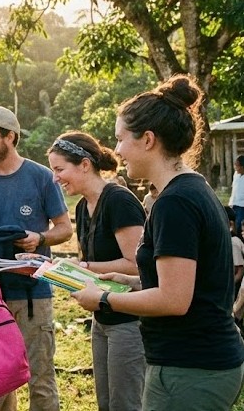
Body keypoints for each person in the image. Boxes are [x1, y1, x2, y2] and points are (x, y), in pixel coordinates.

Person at [72, 75, 244, 410]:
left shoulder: (174, 202)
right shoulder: (191, 187)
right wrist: (133, 282)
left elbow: (174, 299)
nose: (117, 150)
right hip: (201, 361)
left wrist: (105, 299)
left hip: (189, 368)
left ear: (148, 139)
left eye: (121, 139)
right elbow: (190, 282)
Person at [0, 106, 72, 411]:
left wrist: (41, 238)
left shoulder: (41, 177)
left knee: (40, 378)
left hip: (35, 294)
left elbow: (65, 229)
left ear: (10, 137)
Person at [47, 132, 146, 411]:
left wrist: (84, 268)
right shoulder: (82, 207)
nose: (56, 178)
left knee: (126, 403)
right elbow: (87, 263)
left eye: (60, 169)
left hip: (129, 319)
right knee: (106, 402)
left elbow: (137, 263)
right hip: (102, 317)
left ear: (85, 165)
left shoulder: (118, 201)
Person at [230, 155, 244, 236]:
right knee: (232, 225)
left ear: (242, 167)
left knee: (239, 224)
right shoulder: (236, 174)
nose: (235, 167)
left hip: (242, 205)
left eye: (237, 165)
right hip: (233, 203)